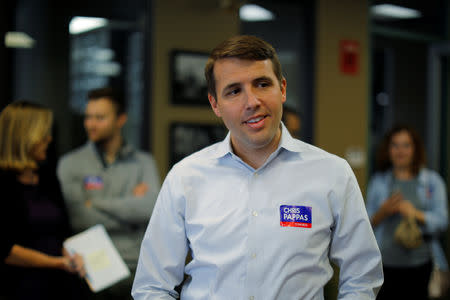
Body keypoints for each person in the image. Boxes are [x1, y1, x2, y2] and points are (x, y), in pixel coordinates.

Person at [132, 35, 383, 299]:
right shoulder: (185, 177)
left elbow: (362, 276)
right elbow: (152, 285)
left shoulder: (333, 174)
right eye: (234, 91)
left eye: (262, 84)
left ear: (282, 89)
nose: (251, 102)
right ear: (215, 104)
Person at [57, 87, 160, 299]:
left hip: (138, 268)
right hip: (91, 269)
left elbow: (150, 209)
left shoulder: (143, 162)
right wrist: (131, 206)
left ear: (121, 119)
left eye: (100, 117)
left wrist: (96, 203)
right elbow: (80, 219)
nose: (91, 124)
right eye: (88, 117)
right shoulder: (69, 164)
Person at [0, 101, 84, 300]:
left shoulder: (47, 177)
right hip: (18, 287)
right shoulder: (3, 182)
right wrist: (55, 262)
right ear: (24, 136)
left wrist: (70, 256)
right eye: (42, 133)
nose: (49, 138)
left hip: (58, 285)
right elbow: (5, 249)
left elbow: (63, 231)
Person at [366, 125, 448, 299]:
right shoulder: (378, 182)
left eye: (406, 145)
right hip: (384, 266)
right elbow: (364, 224)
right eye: (395, 145)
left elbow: (442, 221)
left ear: (415, 149)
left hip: (421, 265)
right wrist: (383, 211)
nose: (400, 151)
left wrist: (416, 213)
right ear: (388, 150)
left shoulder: (432, 182)